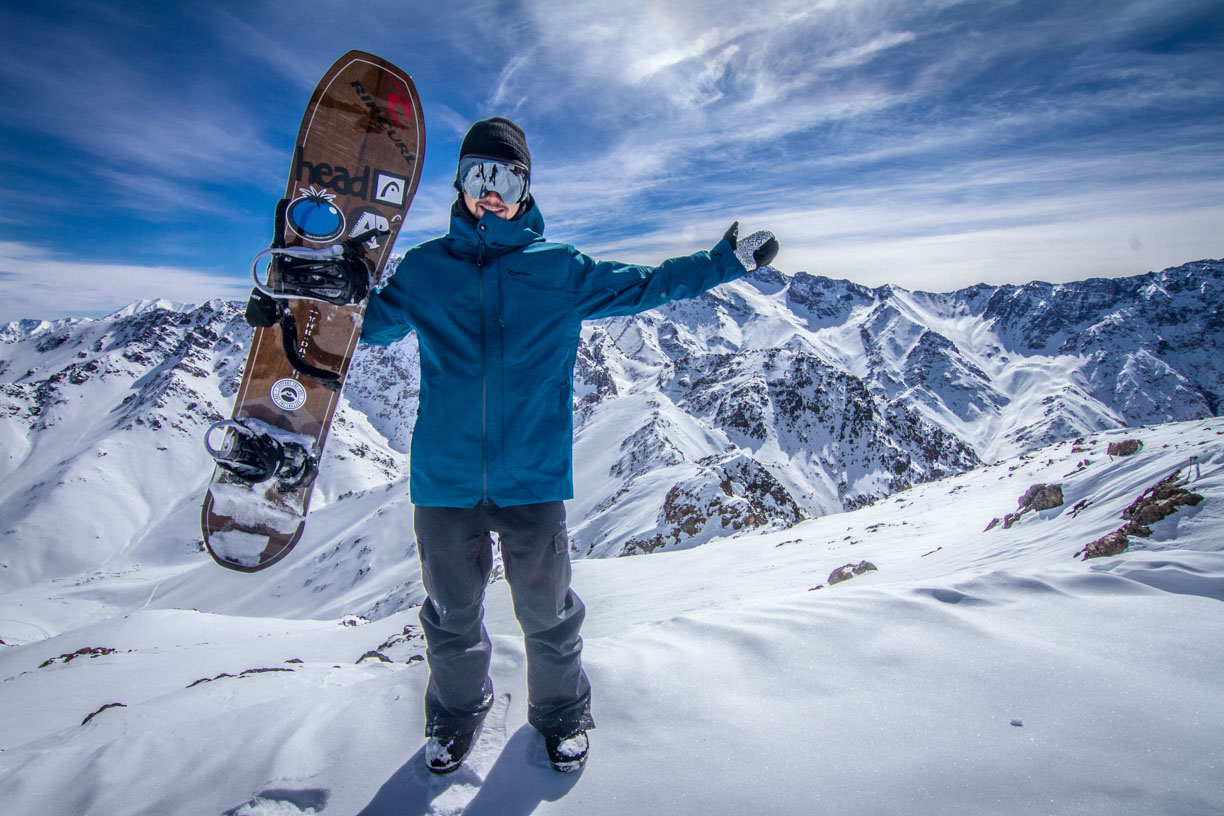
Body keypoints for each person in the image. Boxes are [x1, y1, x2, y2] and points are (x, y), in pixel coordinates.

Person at [360, 116, 778, 774]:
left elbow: (645, 284)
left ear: (525, 187)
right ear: (460, 185)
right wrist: (304, 304)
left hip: (532, 478)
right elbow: (367, 329)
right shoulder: (425, 270)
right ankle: (456, 716)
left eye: (504, 178)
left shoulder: (559, 269)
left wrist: (722, 263)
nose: (489, 193)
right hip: (445, 482)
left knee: (548, 612)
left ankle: (560, 716)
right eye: (478, 177)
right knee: (450, 615)